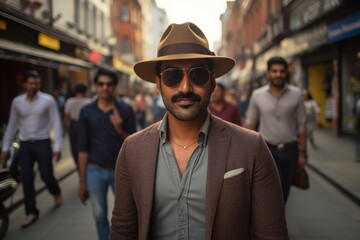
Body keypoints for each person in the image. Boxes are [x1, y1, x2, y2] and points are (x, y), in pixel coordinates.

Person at [110, 22, 288, 239]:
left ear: (212, 82)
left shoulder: (251, 147)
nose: (185, 88)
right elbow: (123, 230)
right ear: (158, 84)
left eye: (198, 75)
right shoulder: (133, 149)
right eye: (172, 76)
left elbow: (271, 233)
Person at [77, 68, 136, 240]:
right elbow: (82, 147)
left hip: (121, 171)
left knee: (127, 215)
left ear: (115, 86)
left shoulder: (125, 110)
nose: (105, 88)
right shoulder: (86, 112)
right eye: (101, 84)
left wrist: (119, 129)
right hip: (94, 170)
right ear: (95, 86)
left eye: (109, 84)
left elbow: (134, 144)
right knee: (99, 214)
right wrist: (82, 182)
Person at [1, 70, 63, 228]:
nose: (34, 86)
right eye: (30, 83)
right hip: (25, 144)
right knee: (27, 178)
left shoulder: (48, 100)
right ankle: (31, 212)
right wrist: (5, 147)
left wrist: (58, 147)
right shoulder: (17, 102)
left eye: (36, 83)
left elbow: (56, 123)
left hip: (43, 142)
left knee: (47, 175)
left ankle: (55, 191)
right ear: (24, 85)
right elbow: (12, 125)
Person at [245, 56, 307, 203]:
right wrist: (248, 152)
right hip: (268, 150)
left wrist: (303, 153)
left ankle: (277, 221)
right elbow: (250, 124)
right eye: (274, 71)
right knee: (274, 189)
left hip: (291, 151)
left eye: (281, 71)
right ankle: (273, 223)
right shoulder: (257, 95)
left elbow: (302, 125)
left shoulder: (296, 94)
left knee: (285, 190)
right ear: (268, 73)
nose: (278, 74)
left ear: (286, 73)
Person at [64, 83, 91, 169]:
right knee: (85, 145)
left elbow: (66, 117)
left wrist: (66, 128)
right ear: (85, 91)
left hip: (73, 126)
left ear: (75, 91)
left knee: (74, 147)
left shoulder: (70, 101)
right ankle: (84, 165)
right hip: (86, 126)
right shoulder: (88, 102)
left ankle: (78, 166)